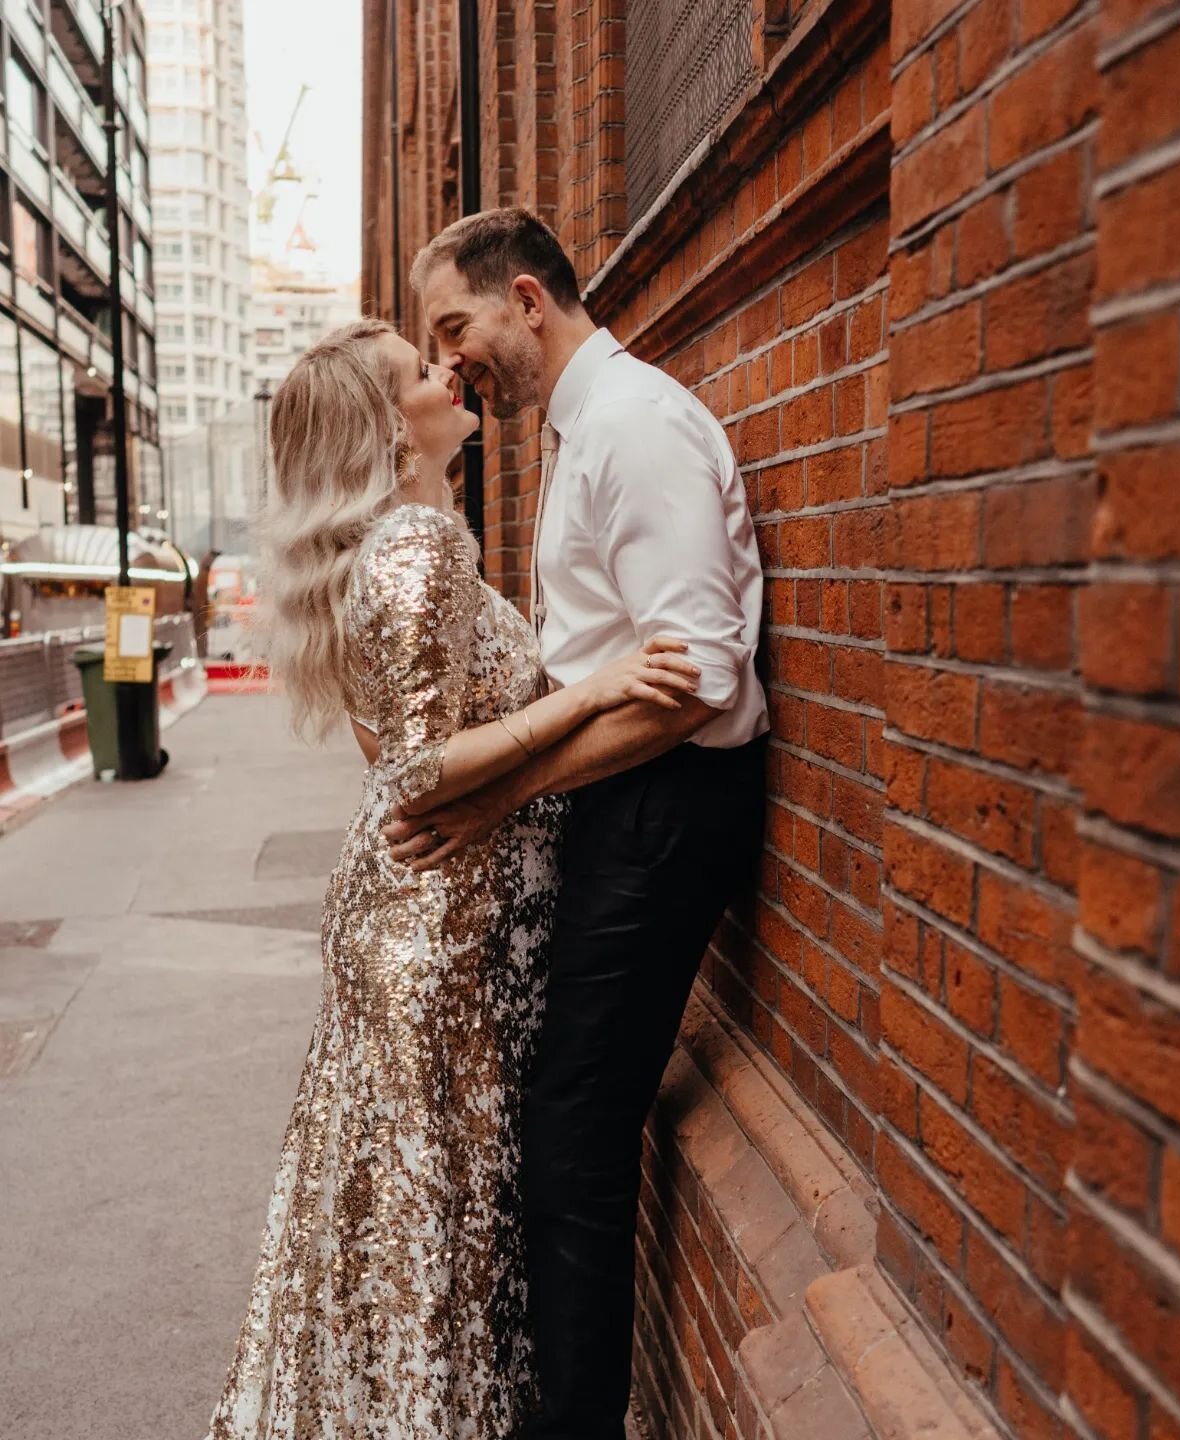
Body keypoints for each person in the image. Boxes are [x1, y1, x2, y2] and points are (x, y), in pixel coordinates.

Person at [206, 318, 699, 1438]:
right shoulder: (418, 549)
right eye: (419, 371)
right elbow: (422, 769)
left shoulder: (394, 546)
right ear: (390, 426)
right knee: (440, 1222)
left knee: (396, 1208)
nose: (448, 372)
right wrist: (591, 691)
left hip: (415, 918)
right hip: (443, 931)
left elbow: (387, 752)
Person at [384, 208, 769, 1440]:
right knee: (563, 1135)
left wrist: (498, 791)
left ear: (529, 302)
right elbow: (610, 659)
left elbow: (698, 681)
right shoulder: (579, 428)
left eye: (458, 327)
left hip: (669, 806)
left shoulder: (637, 425)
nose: (452, 362)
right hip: (617, 803)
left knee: (571, 1147)